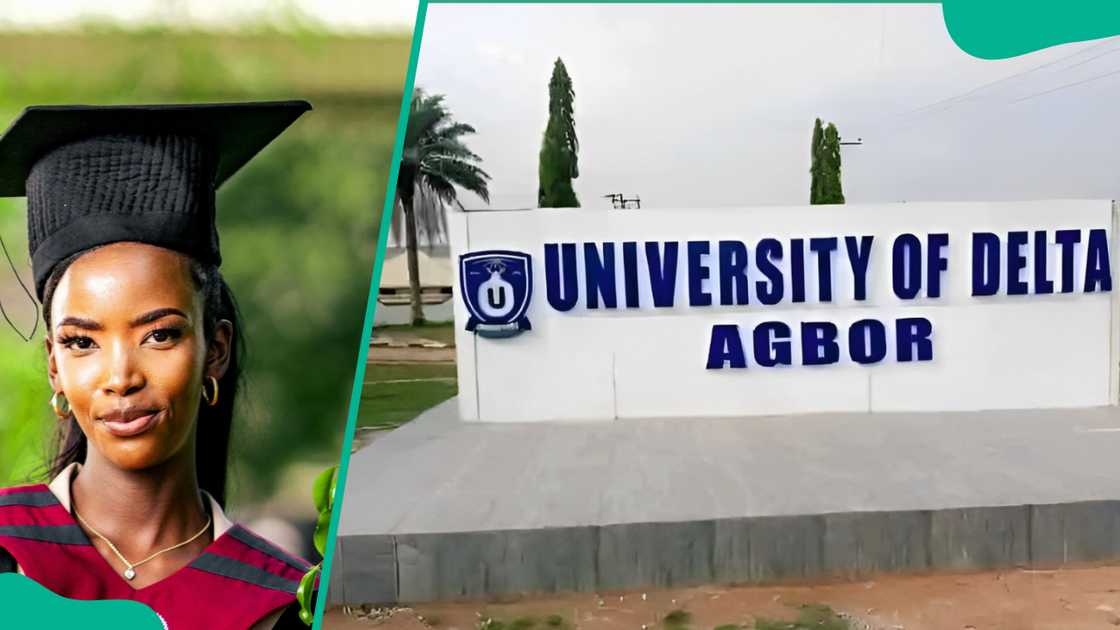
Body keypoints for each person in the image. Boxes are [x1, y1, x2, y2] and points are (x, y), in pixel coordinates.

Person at [0, 101, 316, 629]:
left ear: (215, 350)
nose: (121, 376)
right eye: (82, 342)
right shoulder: (8, 546)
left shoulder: (283, 601)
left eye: (159, 334)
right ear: (54, 365)